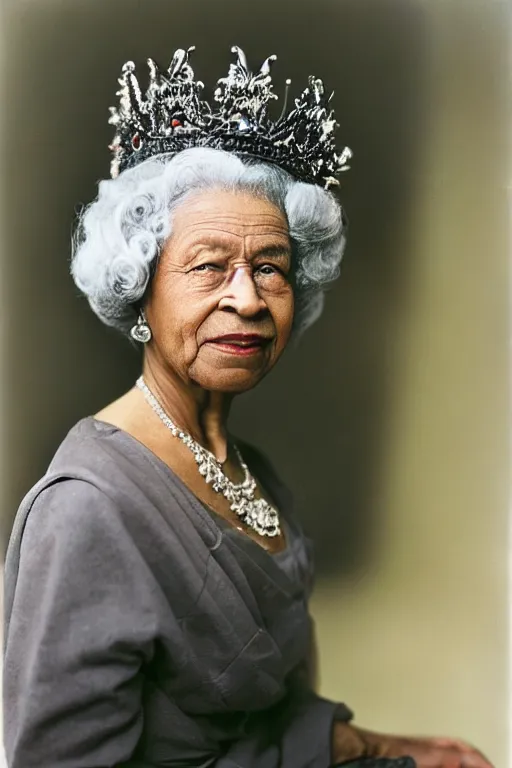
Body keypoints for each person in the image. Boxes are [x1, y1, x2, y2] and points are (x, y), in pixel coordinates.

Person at [2, 46, 493, 768]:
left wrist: (382, 745)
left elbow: (267, 725)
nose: (248, 298)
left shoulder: (251, 473)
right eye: (208, 266)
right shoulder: (90, 510)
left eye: (270, 267)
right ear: (140, 286)